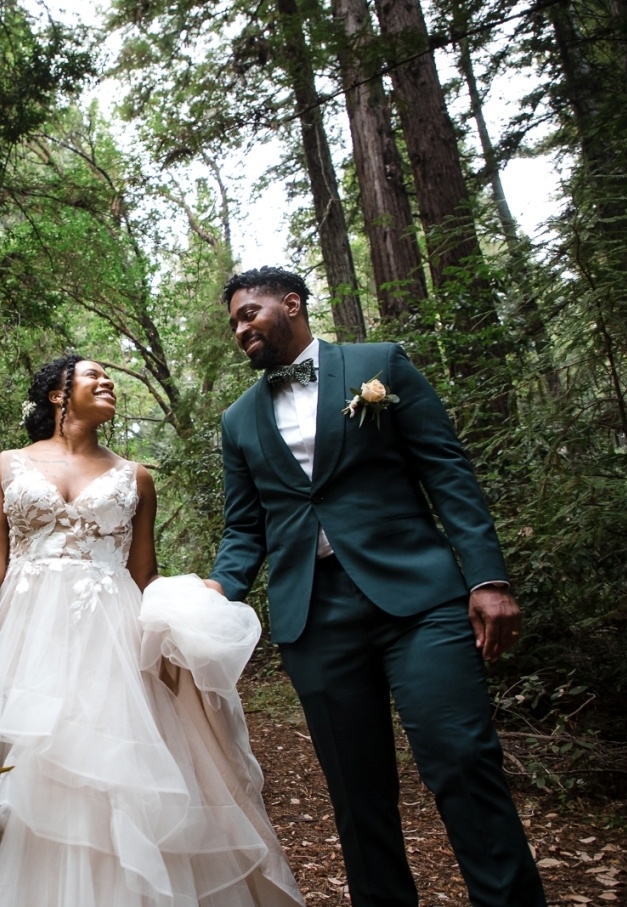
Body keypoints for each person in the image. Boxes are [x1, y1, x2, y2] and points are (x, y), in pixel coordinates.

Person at [0, 354, 304, 907]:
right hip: (20, 635)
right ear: (58, 395)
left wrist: (174, 631)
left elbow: (143, 575)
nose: (107, 381)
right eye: (93, 375)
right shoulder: (7, 464)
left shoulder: (135, 476)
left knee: (108, 772)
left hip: (110, 636)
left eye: (109, 377)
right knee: (18, 765)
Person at [204, 267, 546, 907]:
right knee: (357, 797)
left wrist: (488, 576)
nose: (241, 329)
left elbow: (447, 472)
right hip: (314, 617)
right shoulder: (237, 421)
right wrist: (218, 591)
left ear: (292, 304)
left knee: (463, 763)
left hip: (420, 602)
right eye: (233, 324)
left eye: (250, 313)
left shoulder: (379, 363)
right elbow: (245, 528)